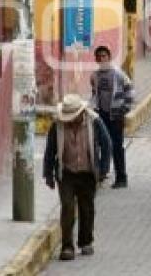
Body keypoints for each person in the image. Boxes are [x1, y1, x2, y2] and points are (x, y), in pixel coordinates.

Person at [43, 93, 111, 261]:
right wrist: (48, 174)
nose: (70, 120)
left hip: (87, 172)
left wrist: (103, 170)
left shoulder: (94, 121)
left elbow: (107, 143)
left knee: (87, 207)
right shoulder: (57, 125)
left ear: (81, 113)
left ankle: (86, 241)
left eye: (73, 117)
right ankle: (67, 246)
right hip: (66, 172)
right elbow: (50, 150)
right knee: (67, 208)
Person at [90, 45, 134, 188]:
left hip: (116, 115)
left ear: (109, 57)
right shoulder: (95, 76)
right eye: (99, 56)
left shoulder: (118, 74)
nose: (102, 59)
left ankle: (121, 178)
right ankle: (103, 173)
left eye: (104, 56)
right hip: (101, 115)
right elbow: (95, 94)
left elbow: (130, 91)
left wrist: (124, 109)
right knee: (102, 144)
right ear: (96, 59)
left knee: (116, 146)